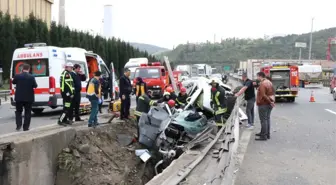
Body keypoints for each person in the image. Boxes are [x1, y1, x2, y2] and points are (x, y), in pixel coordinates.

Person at [13, 64, 37, 131]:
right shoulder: (31, 77)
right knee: (28, 112)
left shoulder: (17, 76)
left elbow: (13, 82)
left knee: (18, 112)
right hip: (29, 98)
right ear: (29, 69)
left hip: (19, 98)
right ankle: (25, 127)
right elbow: (35, 85)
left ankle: (18, 125)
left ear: (22, 69)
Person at [255, 72, 275, 141]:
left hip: (263, 104)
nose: (257, 78)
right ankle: (266, 134)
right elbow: (273, 92)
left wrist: (270, 102)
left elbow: (263, 95)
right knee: (267, 119)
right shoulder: (269, 82)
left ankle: (263, 136)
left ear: (260, 76)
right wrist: (272, 101)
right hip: (269, 104)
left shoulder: (262, 84)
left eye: (257, 76)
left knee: (263, 120)